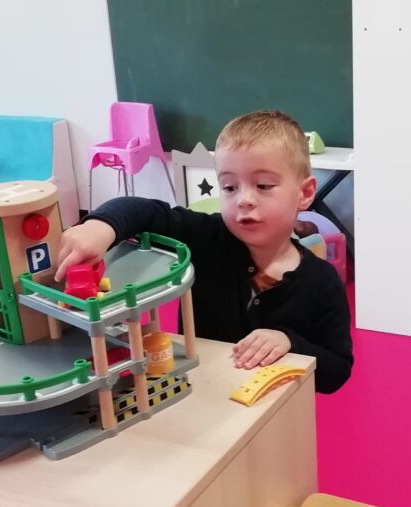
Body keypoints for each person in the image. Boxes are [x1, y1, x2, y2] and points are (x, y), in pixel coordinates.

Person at [56, 110, 352, 393]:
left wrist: (290, 343)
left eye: (263, 185)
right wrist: (100, 226)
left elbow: (337, 370)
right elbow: (144, 211)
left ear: (305, 193)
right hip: (200, 394)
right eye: (229, 187)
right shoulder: (205, 237)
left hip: (275, 411)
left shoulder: (322, 281)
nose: (244, 199)